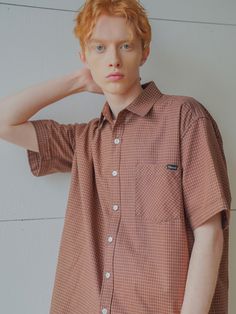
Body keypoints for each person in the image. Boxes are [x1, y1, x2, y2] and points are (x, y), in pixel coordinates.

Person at [0, 0, 232, 313]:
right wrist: (78, 82)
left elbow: (210, 236)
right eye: (99, 48)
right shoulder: (86, 140)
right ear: (84, 56)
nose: (113, 60)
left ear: (144, 52)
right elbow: (5, 121)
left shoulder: (185, 117)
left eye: (125, 45)